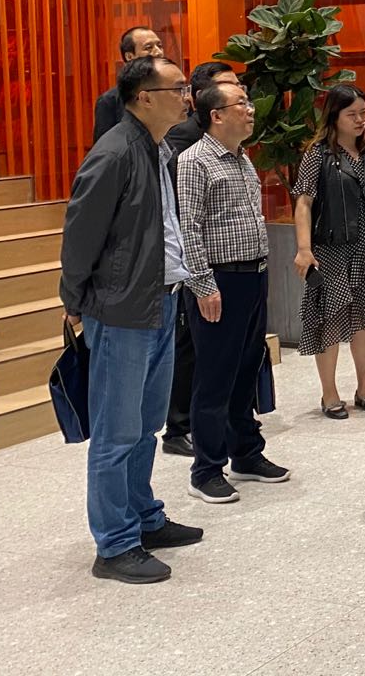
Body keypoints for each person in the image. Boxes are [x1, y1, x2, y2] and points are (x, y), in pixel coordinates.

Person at [60, 56, 203, 584]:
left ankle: (143, 516)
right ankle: (115, 544)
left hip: (160, 300)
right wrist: (73, 298)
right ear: (144, 97)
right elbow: (80, 232)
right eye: (177, 89)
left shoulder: (157, 148)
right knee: (117, 432)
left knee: (145, 426)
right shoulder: (115, 152)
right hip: (121, 309)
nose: (186, 97)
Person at [176, 81, 289, 504]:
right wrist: (203, 285)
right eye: (240, 103)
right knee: (215, 377)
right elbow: (189, 228)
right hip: (219, 282)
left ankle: (246, 453)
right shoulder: (194, 161)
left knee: (247, 369)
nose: (250, 108)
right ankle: (206, 469)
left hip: (253, 277)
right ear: (216, 115)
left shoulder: (242, 157)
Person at [292, 84, 365, 418]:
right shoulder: (318, 154)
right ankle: (329, 393)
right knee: (331, 319)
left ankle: (364, 389)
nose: (359, 119)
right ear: (334, 116)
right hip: (333, 248)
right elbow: (304, 202)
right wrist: (303, 248)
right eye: (351, 114)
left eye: (363, 112)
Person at [159, 61, 242, 459]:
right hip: (198, 262)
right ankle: (179, 426)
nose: (240, 98)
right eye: (229, 89)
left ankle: (228, 426)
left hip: (235, 264)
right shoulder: (185, 141)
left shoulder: (235, 144)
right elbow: (185, 213)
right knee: (191, 345)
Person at [93, 27, 164, 143]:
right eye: (148, 48)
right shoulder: (110, 101)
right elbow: (104, 148)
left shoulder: (171, 92)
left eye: (160, 46)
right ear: (129, 57)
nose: (158, 52)